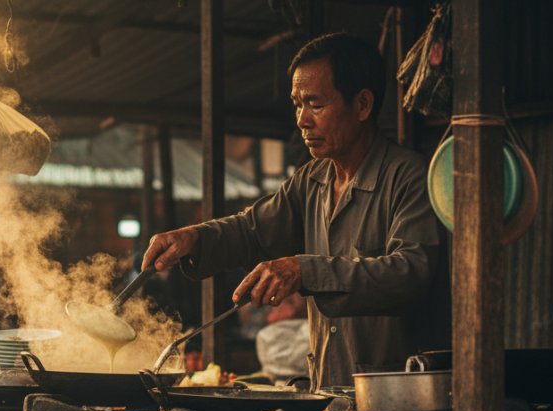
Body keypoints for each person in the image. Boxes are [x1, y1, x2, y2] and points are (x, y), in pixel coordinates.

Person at [142, 32, 450, 389]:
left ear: (363, 105)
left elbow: (410, 272)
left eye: (315, 104)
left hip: (400, 398)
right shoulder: (311, 181)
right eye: (297, 104)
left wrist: (306, 270)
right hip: (327, 392)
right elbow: (252, 230)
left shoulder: (411, 177)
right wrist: (194, 237)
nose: (302, 120)